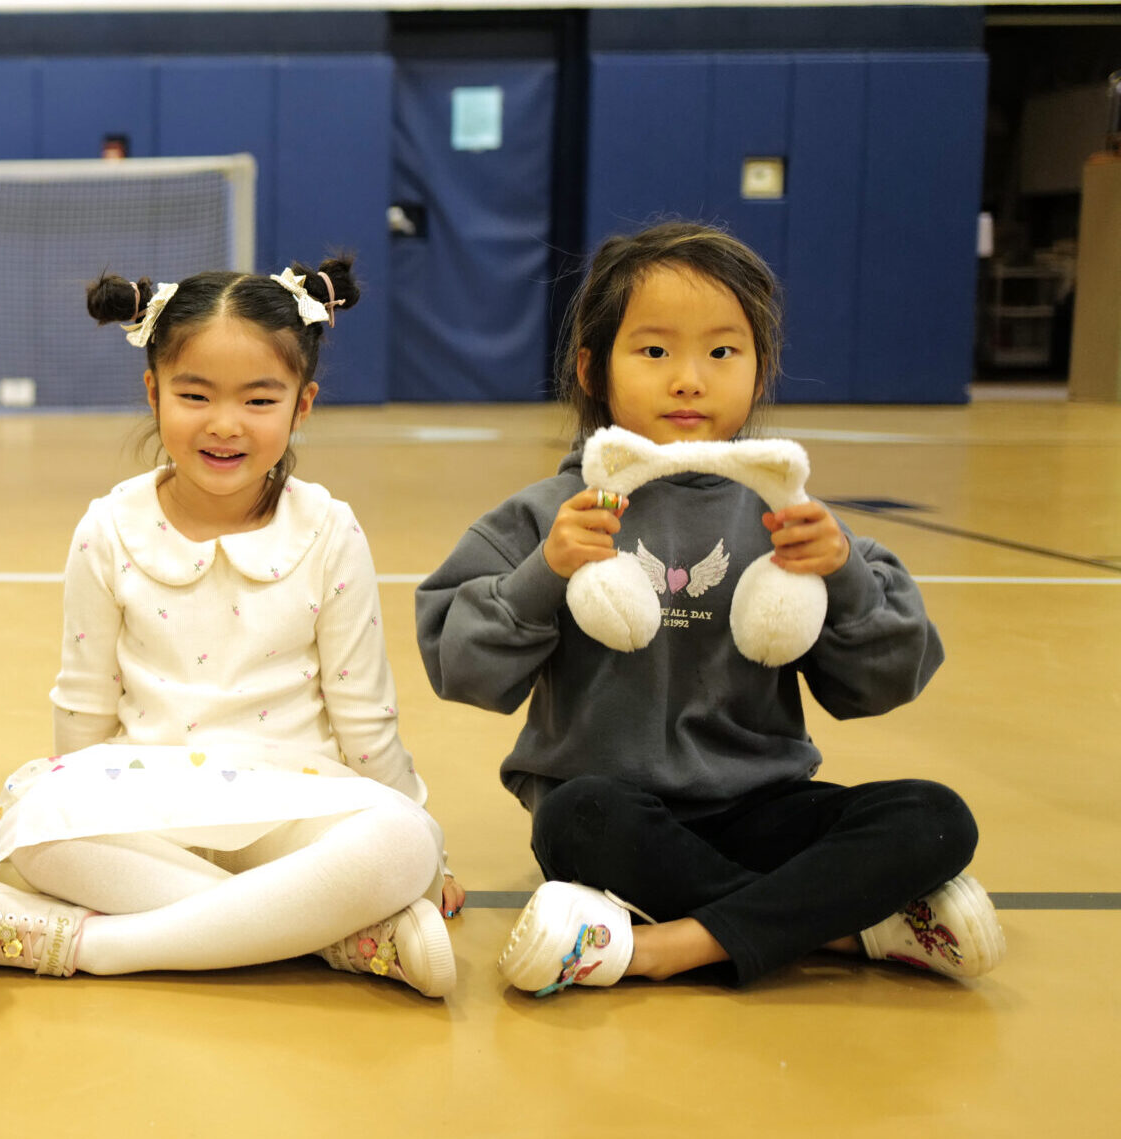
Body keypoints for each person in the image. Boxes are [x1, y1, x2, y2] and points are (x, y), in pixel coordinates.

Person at [416, 221, 1000, 995]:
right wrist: (544, 571)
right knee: (575, 819)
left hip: (765, 809)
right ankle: (839, 925)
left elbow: (883, 682)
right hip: (616, 815)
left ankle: (670, 945)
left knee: (937, 817)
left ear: (760, 374)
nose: (689, 379)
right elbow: (460, 667)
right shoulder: (548, 515)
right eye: (654, 352)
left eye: (722, 352)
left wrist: (847, 576)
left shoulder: (789, 518)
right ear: (593, 368)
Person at [0, 261, 459, 998]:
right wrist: (75, 788)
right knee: (40, 824)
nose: (224, 423)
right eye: (194, 394)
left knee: (402, 843)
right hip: (151, 795)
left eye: (259, 398)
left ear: (303, 406)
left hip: (292, 802)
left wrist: (428, 843)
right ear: (153, 392)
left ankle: (92, 943)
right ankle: (331, 935)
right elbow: (84, 701)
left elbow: (364, 712)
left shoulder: (329, 530)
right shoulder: (110, 527)